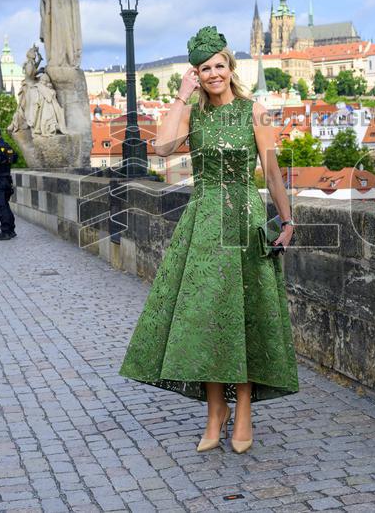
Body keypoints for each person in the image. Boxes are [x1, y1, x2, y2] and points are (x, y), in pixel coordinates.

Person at [119, 26, 298, 455]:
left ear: (230, 68)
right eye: (204, 68)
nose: (213, 73)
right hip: (203, 223)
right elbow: (161, 149)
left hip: (243, 221)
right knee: (207, 319)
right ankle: (214, 414)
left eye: (219, 65)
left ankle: (245, 411)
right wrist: (181, 96)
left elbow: (271, 173)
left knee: (244, 316)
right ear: (196, 74)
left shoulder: (254, 112)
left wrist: (287, 220)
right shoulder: (194, 114)